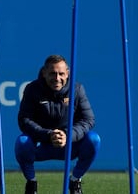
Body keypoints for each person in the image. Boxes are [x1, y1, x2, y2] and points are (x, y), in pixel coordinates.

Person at [14, 55, 101, 194]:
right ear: (44, 73)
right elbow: (24, 120)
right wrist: (48, 135)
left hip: (70, 144)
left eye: (61, 74)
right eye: (52, 73)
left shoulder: (77, 89)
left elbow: (88, 120)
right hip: (42, 143)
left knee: (93, 139)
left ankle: (75, 181)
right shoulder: (32, 89)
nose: (57, 78)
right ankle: (31, 183)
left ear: (67, 73)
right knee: (22, 142)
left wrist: (68, 135)